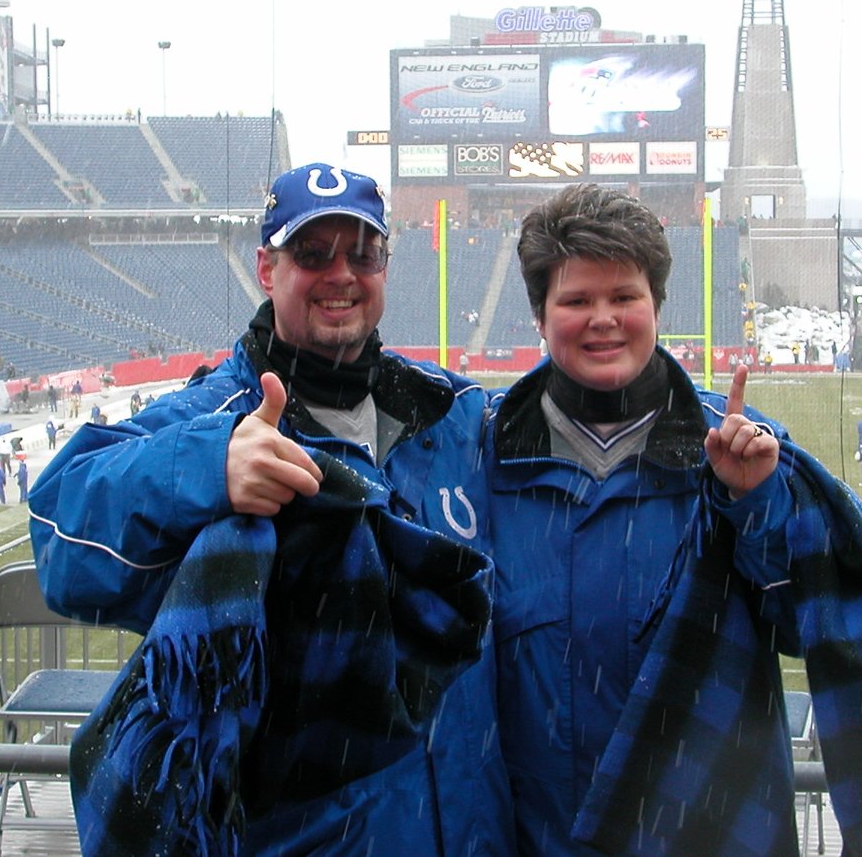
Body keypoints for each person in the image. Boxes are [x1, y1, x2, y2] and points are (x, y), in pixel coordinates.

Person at [28, 163, 514, 855]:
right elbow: (57, 531)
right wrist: (207, 465)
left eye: (363, 252)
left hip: (469, 829)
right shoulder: (217, 417)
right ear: (266, 267)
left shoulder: (455, 412)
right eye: (312, 253)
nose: (341, 273)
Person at [483, 184, 862, 855]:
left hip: (706, 827)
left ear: (657, 306)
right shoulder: (479, 452)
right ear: (540, 318)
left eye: (624, 296)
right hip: (532, 830)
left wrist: (759, 502)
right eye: (576, 300)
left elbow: (828, 623)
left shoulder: (742, 451)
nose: (603, 318)